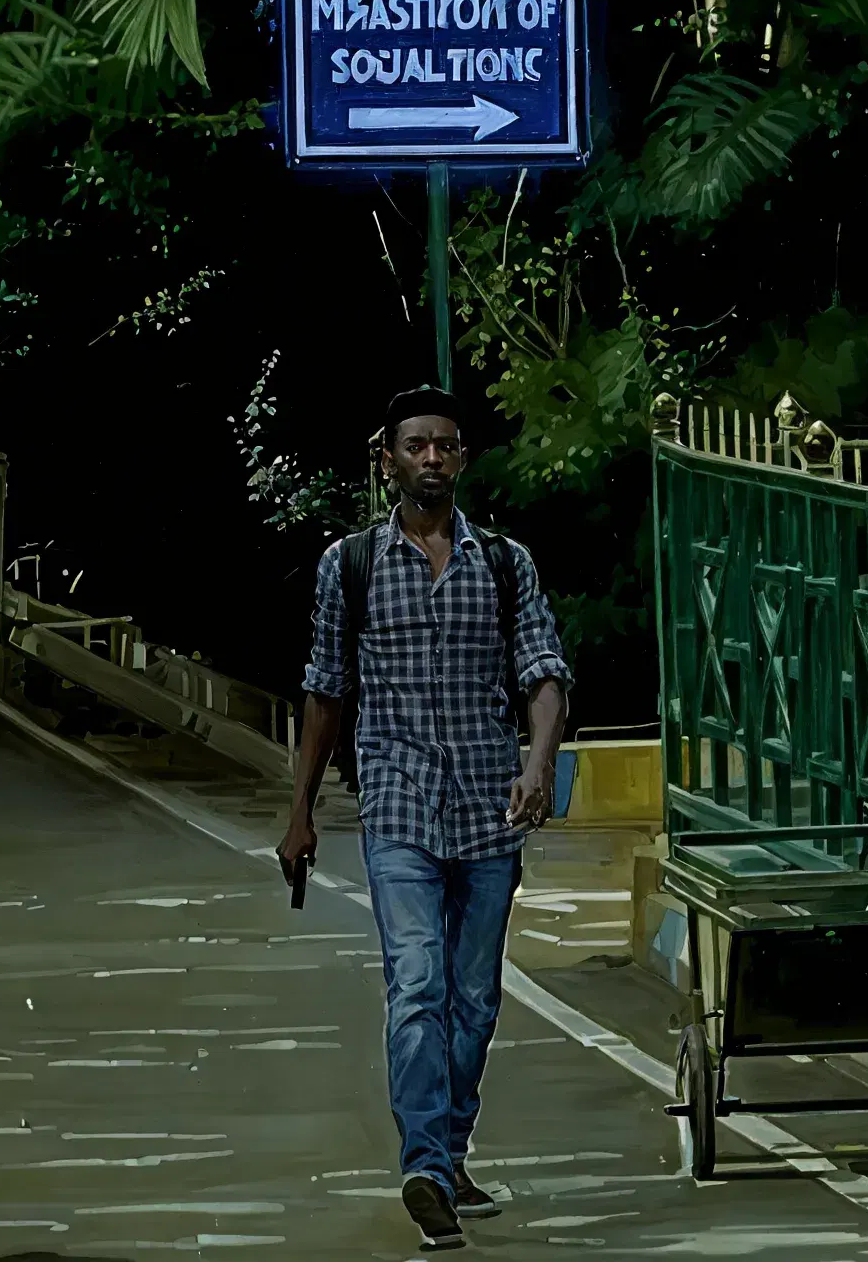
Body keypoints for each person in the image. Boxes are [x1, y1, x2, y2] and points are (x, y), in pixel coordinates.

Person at [276, 390, 574, 1250]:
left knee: (475, 1001)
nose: (432, 459)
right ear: (389, 461)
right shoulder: (351, 564)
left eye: (445, 446)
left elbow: (544, 672)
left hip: (490, 809)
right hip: (398, 807)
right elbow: (326, 689)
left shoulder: (507, 565)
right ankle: (427, 1169)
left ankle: (445, 1154)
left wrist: (538, 760)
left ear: (463, 459)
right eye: (416, 446)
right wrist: (299, 811)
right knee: (419, 985)